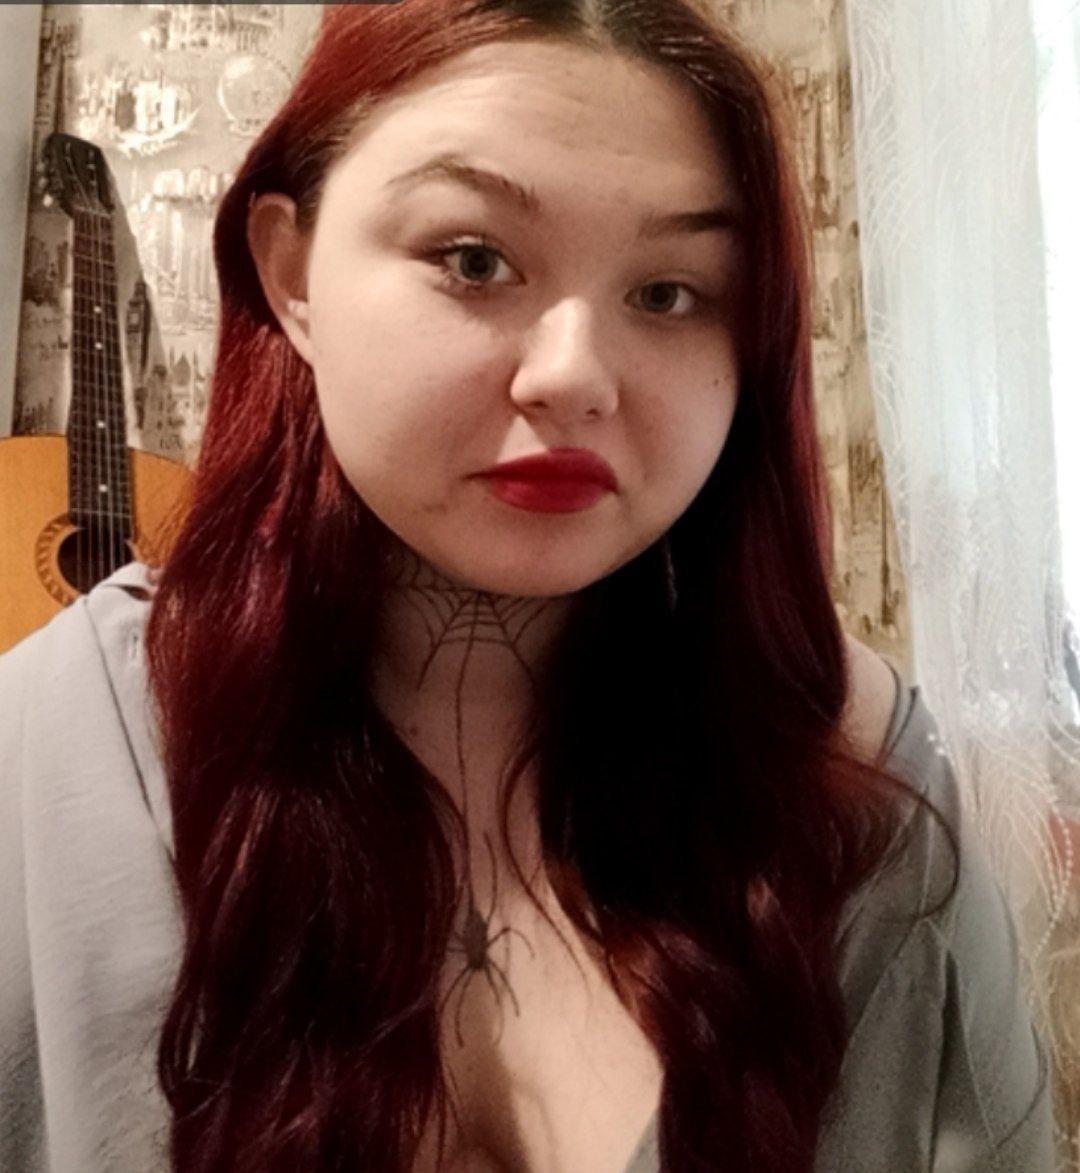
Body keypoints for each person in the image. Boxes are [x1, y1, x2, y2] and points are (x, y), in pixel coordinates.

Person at [0, 1, 1056, 1170]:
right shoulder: (46, 755)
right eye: (474, 260)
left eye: (668, 292)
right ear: (291, 272)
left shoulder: (865, 789)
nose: (574, 376)